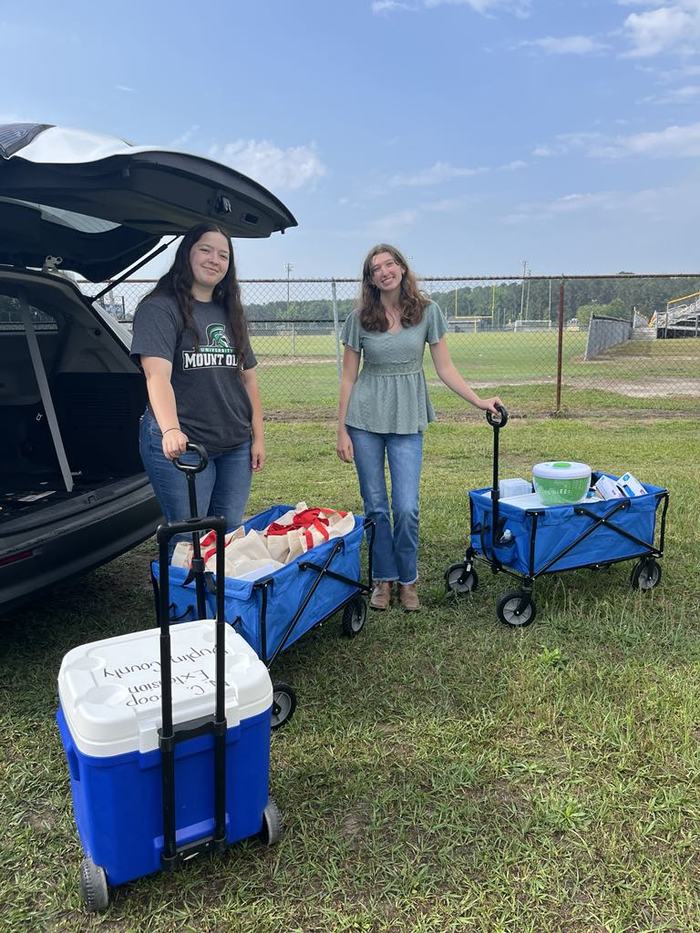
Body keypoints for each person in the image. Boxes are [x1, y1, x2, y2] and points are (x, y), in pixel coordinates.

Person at [336, 244, 503, 612]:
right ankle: (383, 579)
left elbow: (445, 368)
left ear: (402, 268)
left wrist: (478, 401)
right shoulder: (360, 317)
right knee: (377, 506)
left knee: (407, 507)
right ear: (370, 278)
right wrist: (341, 430)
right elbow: (348, 378)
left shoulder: (428, 312)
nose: (384, 271)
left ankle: (408, 581)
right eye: (376, 268)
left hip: (407, 416)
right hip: (364, 419)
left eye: (390, 263)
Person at [130, 223, 264, 555]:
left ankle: (219, 602)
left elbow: (248, 379)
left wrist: (258, 436)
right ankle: (187, 606)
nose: (214, 260)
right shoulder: (159, 308)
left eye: (224, 254)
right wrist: (171, 429)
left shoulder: (231, 311)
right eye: (205, 249)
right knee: (190, 538)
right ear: (187, 253)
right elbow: (156, 376)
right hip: (186, 444)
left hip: (234, 442)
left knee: (229, 531)